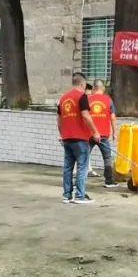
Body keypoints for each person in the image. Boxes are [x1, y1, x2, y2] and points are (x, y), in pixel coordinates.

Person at [58, 72, 101, 204]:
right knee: (82, 167)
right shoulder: (81, 97)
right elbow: (86, 116)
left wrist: (62, 134)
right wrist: (95, 132)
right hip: (80, 138)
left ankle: (67, 195)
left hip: (67, 138)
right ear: (82, 84)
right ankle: (80, 195)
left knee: (68, 167)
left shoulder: (63, 98)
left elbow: (59, 120)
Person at [88, 79, 118, 188]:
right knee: (107, 158)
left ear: (93, 88)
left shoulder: (87, 99)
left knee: (84, 157)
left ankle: (78, 183)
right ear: (103, 88)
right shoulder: (108, 100)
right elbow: (113, 118)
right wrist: (115, 133)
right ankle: (109, 181)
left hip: (88, 135)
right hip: (103, 135)